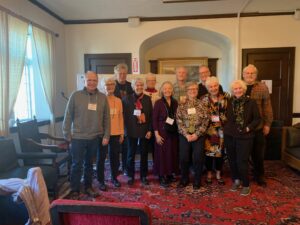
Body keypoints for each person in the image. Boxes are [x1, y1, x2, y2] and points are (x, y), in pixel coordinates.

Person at [63, 71, 110, 199]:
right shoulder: (75, 95)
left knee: (89, 165)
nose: (92, 82)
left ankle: (88, 187)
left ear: (98, 81)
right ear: (84, 81)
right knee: (76, 164)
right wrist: (67, 134)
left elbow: (106, 118)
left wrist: (106, 135)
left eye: (94, 80)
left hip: (94, 137)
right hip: (77, 137)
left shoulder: (102, 97)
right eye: (89, 80)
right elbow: (68, 116)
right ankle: (75, 190)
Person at [224, 80, 261, 196]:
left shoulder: (251, 102)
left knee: (242, 161)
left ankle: (245, 184)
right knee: (232, 159)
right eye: (235, 89)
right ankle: (236, 180)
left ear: (244, 89)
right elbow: (227, 118)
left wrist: (248, 128)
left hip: (245, 136)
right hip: (230, 135)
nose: (238, 90)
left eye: (240, 88)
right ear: (233, 91)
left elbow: (257, 119)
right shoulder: (229, 101)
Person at [242, 64, 273, 187]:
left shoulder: (262, 87)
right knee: (243, 154)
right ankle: (243, 174)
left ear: (256, 75)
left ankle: (259, 175)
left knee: (258, 154)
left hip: (258, 126)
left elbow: (267, 107)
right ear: (243, 74)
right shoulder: (239, 86)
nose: (249, 75)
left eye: (252, 73)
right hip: (243, 127)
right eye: (247, 73)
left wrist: (268, 124)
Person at [176, 81, 209, 190]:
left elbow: (206, 121)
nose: (193, 91)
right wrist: (186, 134)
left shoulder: (203, 104)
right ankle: (184, 179)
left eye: (195, 89)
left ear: (197, 91)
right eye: (190, 89)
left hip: (198, 135)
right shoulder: (181, 104)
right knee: (184, 157)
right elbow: (179, 120)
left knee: (198, 158)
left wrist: (197, 134)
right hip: (184, 135)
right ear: (187, 91)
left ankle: (197, 180)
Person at [122, 78, 152, 186]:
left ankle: (143, 176)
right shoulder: (126, 99)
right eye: (137, 85)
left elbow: (150, 115)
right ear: (133, 87)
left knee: (144, 154)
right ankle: (131, 176)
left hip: (144, 131)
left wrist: (149, 129)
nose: (139, 87)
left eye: (141, 85)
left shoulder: (148, 99)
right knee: (131, 154)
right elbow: (123, 117)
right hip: (131, 130)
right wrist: (125, 131)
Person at [97, 78, 124, 190]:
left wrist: (122, 133)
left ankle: (114, 178)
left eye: (112, 84)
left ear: (115, 86)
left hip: (116, 133)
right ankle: (101, 181)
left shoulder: (118, 100)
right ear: (103, 87)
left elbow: (120, 117)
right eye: (107, 84)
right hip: (103, 134)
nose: (109, 86)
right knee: (101, 157)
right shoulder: (100, 99)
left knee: (115, 157)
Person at [202, 76, 228, 185]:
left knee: (220, 154)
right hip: (208, 131)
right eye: (211, 86)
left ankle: (218, 174)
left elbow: (229, 113)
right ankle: (209, 174)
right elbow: (202, 115)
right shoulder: (203, 99)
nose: (213, 88)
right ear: (207, 88)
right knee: (208, 154)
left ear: (218, 86)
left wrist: (221, 120)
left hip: (221, 131)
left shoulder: (225, 98)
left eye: (215, 85)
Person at [153, 81, 179, 187]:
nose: (167, 90)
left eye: (169, 88)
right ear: (162, 91)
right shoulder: (158, 103)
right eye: (165, 89)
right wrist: (156, 135)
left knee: (171, 153)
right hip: (161, 132)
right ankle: (161, 175)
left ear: (172, 90)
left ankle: (169, 173)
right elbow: (154, 120)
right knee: (162, 154)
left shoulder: (175, 102)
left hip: (173, 131)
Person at [113, 63, 133, 175]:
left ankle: (126, 167)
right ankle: (115, 169)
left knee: (126, 146)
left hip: (128, 120)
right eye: (120, 73)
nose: (122, 75)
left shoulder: (131, 86)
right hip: (114, 120)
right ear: (116, 74)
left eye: (124, 73)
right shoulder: (112, 85)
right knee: (115, 147)